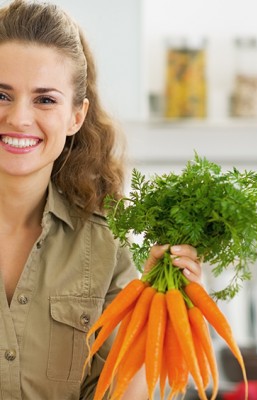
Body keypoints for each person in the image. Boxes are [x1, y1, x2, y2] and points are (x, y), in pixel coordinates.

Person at [0, 1, 202, 399]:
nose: (19, 118)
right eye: (1, 95)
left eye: (45, 100)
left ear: (76, 116)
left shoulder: (107, 245)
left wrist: (156, 312)